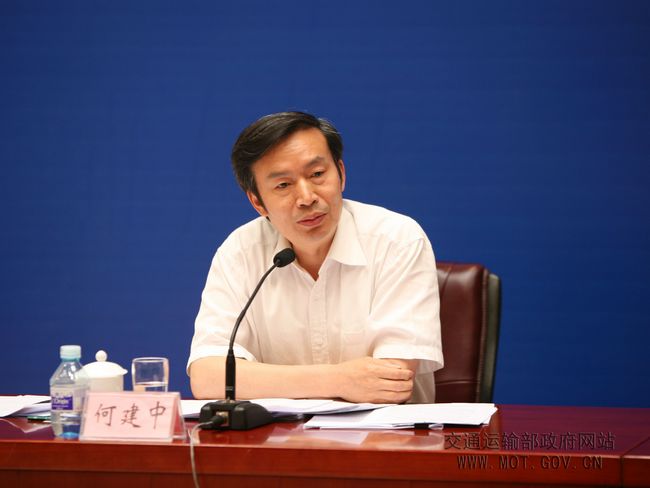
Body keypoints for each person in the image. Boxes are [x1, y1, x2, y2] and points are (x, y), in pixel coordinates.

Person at [187, 111, 443, 403]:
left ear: (341, 173)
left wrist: (266, 382)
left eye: (317, 174)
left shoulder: (397, 241)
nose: (307, 197)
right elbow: (208, 377)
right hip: (279, 432)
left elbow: (391, 382)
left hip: (387, 431)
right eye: (283, 185)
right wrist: (342, 380)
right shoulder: (240, 252)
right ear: (257, 202)